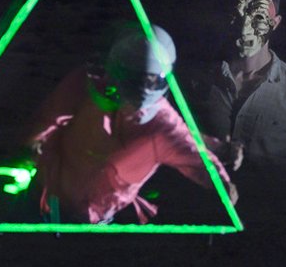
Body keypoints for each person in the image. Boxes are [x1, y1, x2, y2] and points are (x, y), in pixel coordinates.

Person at [25, 24, 240, 225]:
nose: (144, 90)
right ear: (117, 69)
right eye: (136, 79)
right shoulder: (87, 85)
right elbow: (50, 116)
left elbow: (191, 150)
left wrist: (220, 184)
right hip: (44, 196)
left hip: (92, 221)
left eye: (152, 81)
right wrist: (33, 144)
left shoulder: (161, 124)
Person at [202, 0, 286, 170]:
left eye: (259, 18)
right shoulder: (201, 82)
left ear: (275, 23)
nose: (245, 29)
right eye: (237, 16)